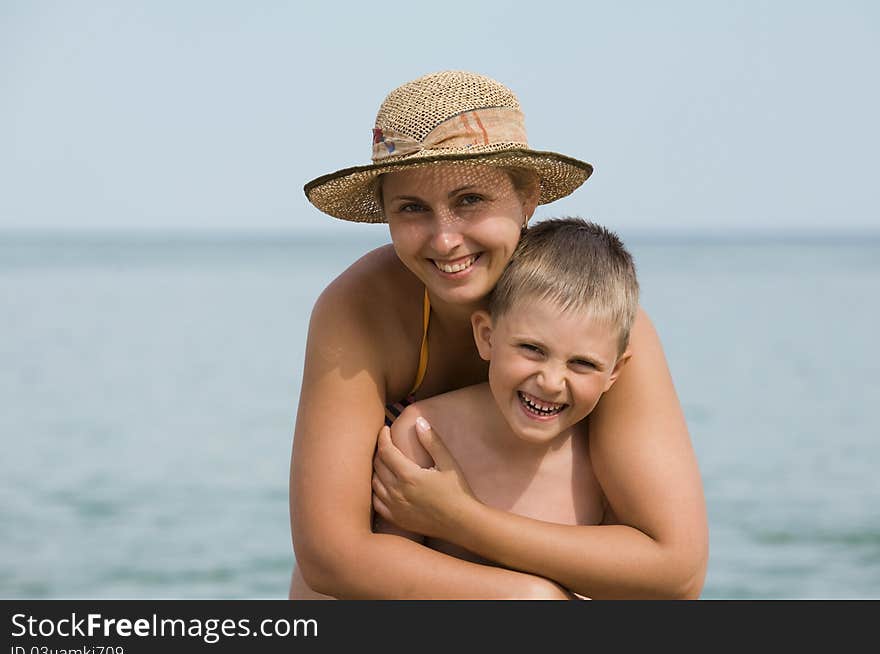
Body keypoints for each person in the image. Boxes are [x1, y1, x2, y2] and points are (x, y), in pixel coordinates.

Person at [289, 70, 708, 599]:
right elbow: (330, 557)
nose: (445, 239)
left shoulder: (592, 318)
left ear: (528, 197)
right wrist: (525, 598)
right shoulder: (361, 310)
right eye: (412, 208)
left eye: (470, 201)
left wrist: (465, 521)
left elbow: (678, 572)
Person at [371, 217, 639, 600]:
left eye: (582, 364)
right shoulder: (425, 434)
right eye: (532, 349)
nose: (550, 381)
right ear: (487, 336)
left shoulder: (602, 456)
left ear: (615, 372)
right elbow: (383, 580)